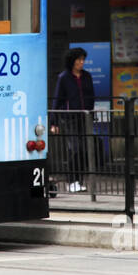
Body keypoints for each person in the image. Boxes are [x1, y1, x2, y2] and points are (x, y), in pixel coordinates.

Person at [51, 47, 95, 194]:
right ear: (72, 61)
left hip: (84, 118)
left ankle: (79, 180)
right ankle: (71, 181)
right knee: (74, 149)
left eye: (83, 59)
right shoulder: (64, 77)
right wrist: (54, 122)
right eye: (79, 60)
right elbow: (57, 100)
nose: (81, 62)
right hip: (69, 119)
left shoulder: (87, 76)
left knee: (83, 150)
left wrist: (90, 112)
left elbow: (91, 96)